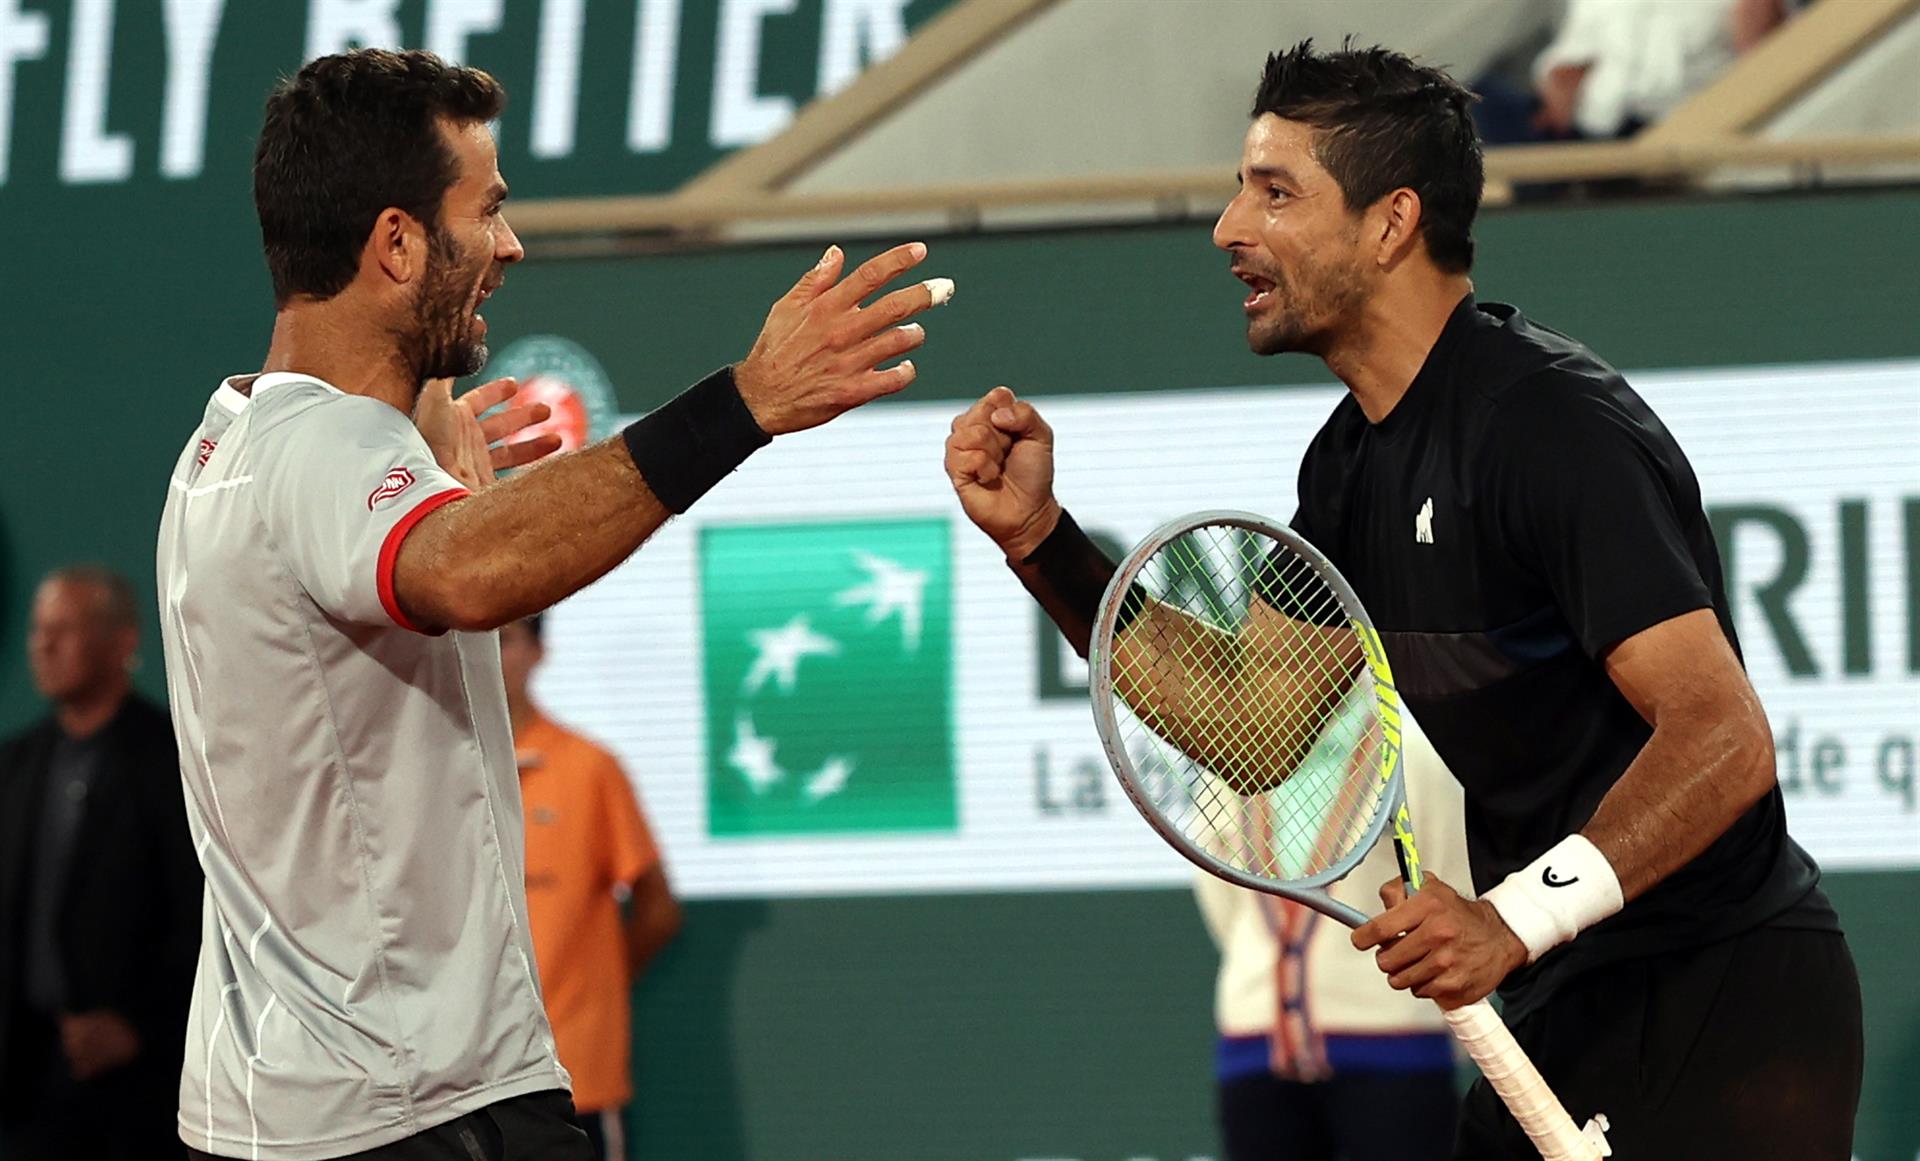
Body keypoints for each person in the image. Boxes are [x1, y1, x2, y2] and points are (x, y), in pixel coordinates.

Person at [944, 40, 1860, 1160]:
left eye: (1275, 192)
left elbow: (1724, 736)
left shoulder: (1548, 425)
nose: (1230, 229)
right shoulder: (1346, 469)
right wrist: (1043, 544)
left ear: (1391, 223)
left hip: (1723, 996)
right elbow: (1252, 726)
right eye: (1241, 188)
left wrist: (1511, 920)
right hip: (1564, 1002)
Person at [157, 48, 946, 1160]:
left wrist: (432, 479)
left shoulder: (228, 441)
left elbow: (412, 578)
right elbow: (467, 574)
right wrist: (746, 402)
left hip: (280, 1106)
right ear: (396, 242)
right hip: (409, 1113)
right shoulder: (324, 453)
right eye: (487, 211)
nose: (510, 247)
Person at [1197, 714, 1467, 1161]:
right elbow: (1222, 901)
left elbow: (1455, 891)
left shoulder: (1414, 749)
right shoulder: (1230, 759)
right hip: (1253, 1049)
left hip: (1393, 1047)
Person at [0, 567, 202, 1160]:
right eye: (40, 629)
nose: (43, 644)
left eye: (65, 629)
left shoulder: (170, 761)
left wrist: (140, 1025)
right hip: (27, 1080)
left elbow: (196, 912)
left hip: (139, 1088)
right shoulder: (15, 766)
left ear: (121, 642)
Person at [501, 614, 681, 1161]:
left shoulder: (590, 768)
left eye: (504, 639)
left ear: (539, 650)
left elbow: (657, 911)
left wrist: (594, 990)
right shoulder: (429, 771)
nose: (487, 655)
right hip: (460, 1082)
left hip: (574, 1072)